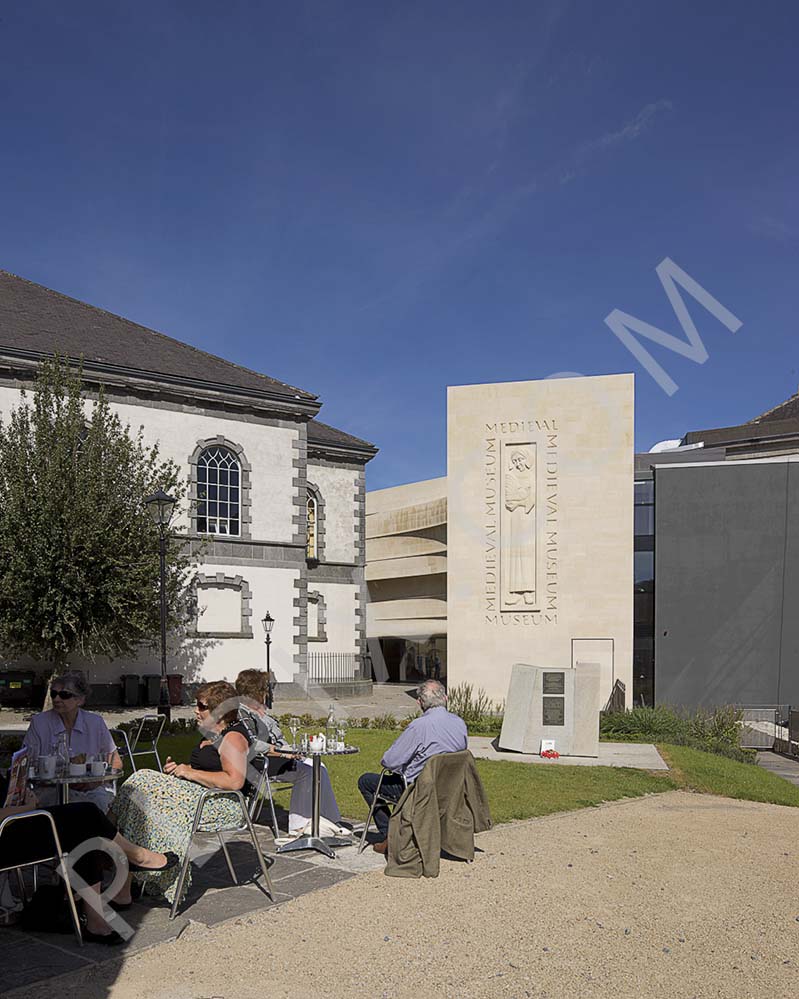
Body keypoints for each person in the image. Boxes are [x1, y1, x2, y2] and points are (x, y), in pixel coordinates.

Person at [110, 680, 251, 905]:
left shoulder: (233, 737)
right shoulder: (210, 736)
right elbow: (204, 771)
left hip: (224, 805)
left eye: (202, 706)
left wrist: (189, 773)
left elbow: (234, 781)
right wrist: (179, 770)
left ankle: (108, 834)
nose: (196, 710)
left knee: (142, 778)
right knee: (141, 801)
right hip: (200, 797)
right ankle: (127, 880)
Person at [0, 789, 177, 945]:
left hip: (12, 826)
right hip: (7, 834)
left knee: (84, 825)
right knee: (86, 815)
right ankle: (137, 857)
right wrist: (29, 806)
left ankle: (96, 921)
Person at [357, 679, 467, 854]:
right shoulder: (459, 723)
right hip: (450, 788)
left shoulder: (419, 726)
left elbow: (389, 761)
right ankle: (397, 831)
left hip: (418, 790)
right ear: (445, 698)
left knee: (366, 782)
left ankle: (390, 835)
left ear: (420, 702)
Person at [235, 669, 342, 834]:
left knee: (319, 766)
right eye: (265, 689)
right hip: (260, 762)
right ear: (257, 692)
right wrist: (283, 752)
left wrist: (292, 750)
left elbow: (277, 738)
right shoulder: (242, 714)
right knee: (308, 772)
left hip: (275, 757)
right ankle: (298, 826)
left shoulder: (257, 711)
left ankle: (329, 820)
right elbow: (253, 744)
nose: (268, 692)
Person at [22, 672, 122, 812]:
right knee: (71, 806)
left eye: (64, 695)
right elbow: (24, 763)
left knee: (95, 804)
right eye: (54, 694)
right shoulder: (39, 723)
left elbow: (116, 761)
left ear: (80, 700)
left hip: (91, 790)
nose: (57, 699)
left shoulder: (95, 723)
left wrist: (97, 781)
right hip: (50, 790)